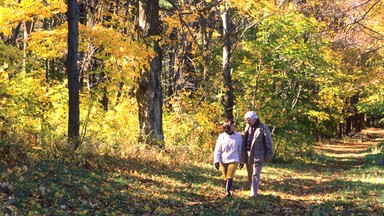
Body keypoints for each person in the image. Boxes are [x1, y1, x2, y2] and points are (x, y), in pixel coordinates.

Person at [241, 111, 273, 198]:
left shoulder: (263, 127)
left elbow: (268, 142)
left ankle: (254, 193)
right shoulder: (247, 126)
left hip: (259, 154)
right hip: (248, 153)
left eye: (248, 120)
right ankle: (252, 188)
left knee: (256, 173)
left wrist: (268, 155)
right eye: (246, 120)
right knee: (250, 173)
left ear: (255, 119)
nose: (247, 122)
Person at [213, 119, 243, 197]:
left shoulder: (238, 136)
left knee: (230, 175)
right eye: (232, 125)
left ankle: (227, 191)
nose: (234, 127)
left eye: (234, 125)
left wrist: (242, 161)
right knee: (225, 176)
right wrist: (216, 160)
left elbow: (240, 149)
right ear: (227, 127)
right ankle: (226, 189)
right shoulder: (221, 136)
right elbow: (217, 149)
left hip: (234, 158)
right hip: (223, 159)